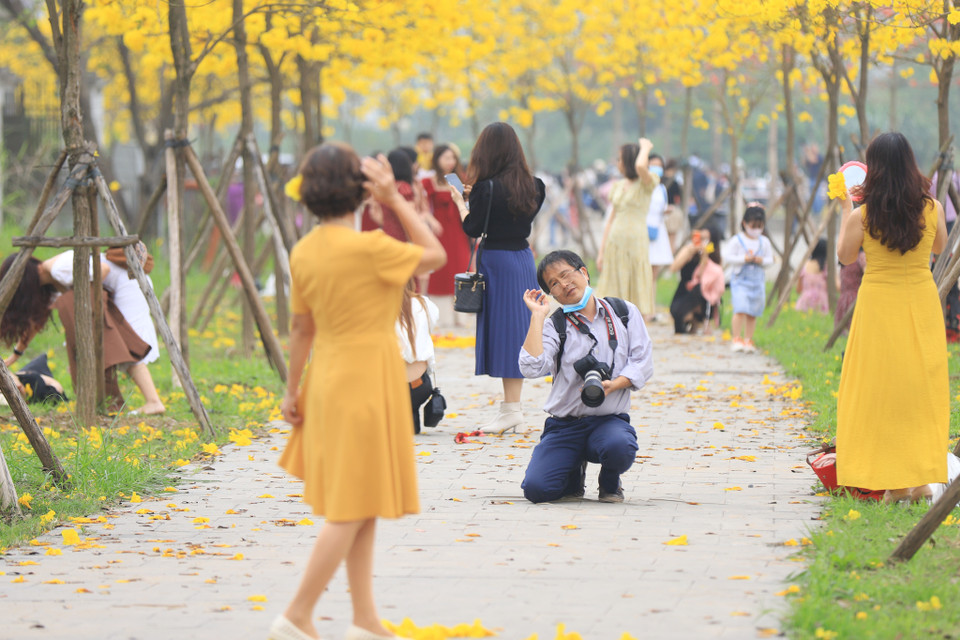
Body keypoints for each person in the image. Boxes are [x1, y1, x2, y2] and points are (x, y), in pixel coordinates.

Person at [274, 142, 446, 640]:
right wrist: (395, 201)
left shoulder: (303, 251)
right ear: (360, 190)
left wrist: (292, 389)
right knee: (351, 507)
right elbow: (433, 256)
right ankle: (297, 615)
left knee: (361, 499)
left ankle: (365, 620)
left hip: (328, 377)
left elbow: (301, 328)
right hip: (369, 380)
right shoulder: (371, 248)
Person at [836, 131, 948, 504]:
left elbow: (846, 256)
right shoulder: (930, 208)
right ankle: (919, 480)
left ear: (875, 168)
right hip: (921, 303)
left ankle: (895, 482)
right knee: (919, 391)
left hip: (878, 307)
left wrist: (843, 210)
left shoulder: (863, 214)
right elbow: (940, 246)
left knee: (878, 392)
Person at [518, 250, 652, 503]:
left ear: (584, 273)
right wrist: (537, 317)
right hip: (564, 426)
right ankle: (572, 469)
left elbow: (643, 362)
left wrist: (615, 385)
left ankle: (610, 480)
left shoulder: (623, 312)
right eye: (553, 284)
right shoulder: (555, 324)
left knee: (619, 447)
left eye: (566, 275)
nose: (564, 285)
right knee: (537, 490)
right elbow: (531, 368)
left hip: (609, 421)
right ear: (551, 294)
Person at [455, 122, 546, 434]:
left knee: (505, 331)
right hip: (522, 260)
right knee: (517, 331)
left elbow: (473, 229)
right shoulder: (536, 185)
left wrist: (461, 203)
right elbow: (517, 218)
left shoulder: (485, 189)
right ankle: (511, 408)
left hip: (496, 260)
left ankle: (512, 410)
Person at [0, 250, 164, 414]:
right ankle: (106, 403)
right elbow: (34, 324)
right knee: (86, 351)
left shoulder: (57, 268)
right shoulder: (49, 286)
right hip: (109, 289)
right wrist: (16, 355)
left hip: (126, 283)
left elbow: (103, 270)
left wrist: (84, 301)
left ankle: (153, 402)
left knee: (125, 345)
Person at [596, 138, 657, 318]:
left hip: (635, 243)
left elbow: (640, 167)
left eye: (620, 159)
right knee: (613, 292)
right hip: (615, 242)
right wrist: (601, 251)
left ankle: (635, 332)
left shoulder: (646, 183)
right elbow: (610, 220)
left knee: (635, 288)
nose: (617, 163)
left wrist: (645, 148)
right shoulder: (618, 186)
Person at [422, 144, 471, 326]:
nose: (450, 162)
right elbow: (422, 207)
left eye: (453, 158)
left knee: (460, 266)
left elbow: (466, 205)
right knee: (440, 270)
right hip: (438, 232)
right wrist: (430, 220)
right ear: (437, 159)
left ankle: (461, 316)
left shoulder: (458, 180)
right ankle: (441, 318)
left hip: (458, 231)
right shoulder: (428, 182)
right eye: (446, 158)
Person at [722, 204, 773, 353]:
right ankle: (736, 338)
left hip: (757, 282)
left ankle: (748, 339)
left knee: (753, 312)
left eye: (759, 226)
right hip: (741, 281)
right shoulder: (737, 240)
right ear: (744, 224)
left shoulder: (764, 242)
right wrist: (743, 258)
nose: (756, 229)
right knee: (740, 308)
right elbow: (728, 257)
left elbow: (770, 259)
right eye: (753, 226)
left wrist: (761, 260)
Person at [396, 279, 439, 434]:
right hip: (419, 386)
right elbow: (432, 324)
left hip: (389, 389)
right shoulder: (425, 304)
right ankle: (411, 416)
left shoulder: (376, 305)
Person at [669, 228, 724, 335]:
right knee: (678, 318)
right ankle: (689, 317)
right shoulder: (689, 250)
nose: (703, 242)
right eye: (701, 238)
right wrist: (690, 251)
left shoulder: (714, 256)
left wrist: (704, 258)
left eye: (706, 239)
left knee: (701, 288)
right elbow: (673, 268)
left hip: (703, 292)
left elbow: (706, 279)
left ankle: (701, 321)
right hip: (685, 290)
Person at [647, 153, 675, 315]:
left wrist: (667, 211)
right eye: (653, 164)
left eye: (659, 165)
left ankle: (650, 309)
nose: (656, 168)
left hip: (657, 232)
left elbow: (661, 208)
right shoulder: (643, 186)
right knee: (642, 273)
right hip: (642, 233)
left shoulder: (661, 188)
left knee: (653, 274)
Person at [835, 249, 866, 335]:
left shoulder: (846, 257)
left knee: (846, 334)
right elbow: (868, 275)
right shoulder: (861, 257)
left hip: (843, 300)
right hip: (856, 299)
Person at [795, 239, 829, 314]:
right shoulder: (826, 267)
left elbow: (798, 289)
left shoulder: (804, 265)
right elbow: (835, 286)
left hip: (805, 303)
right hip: (821, 303)